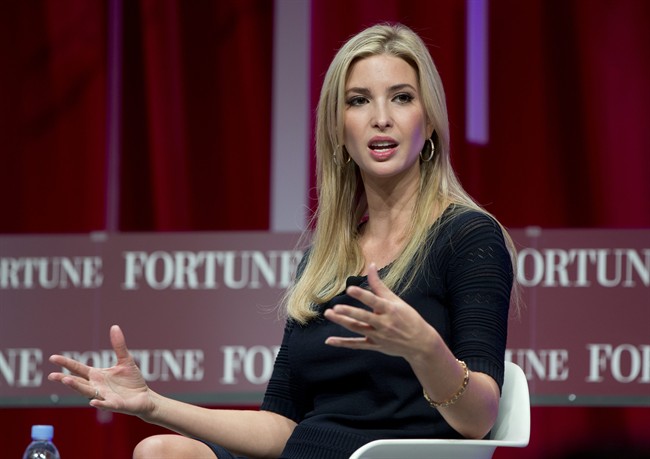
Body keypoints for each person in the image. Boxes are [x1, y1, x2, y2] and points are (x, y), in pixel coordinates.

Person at [48, 23, 516, 459]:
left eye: (401, 98)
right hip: (305, 450)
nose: (380, 118)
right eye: (358, 101)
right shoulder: (325, 261)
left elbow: (479, 421)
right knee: (158, 450)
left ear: (430, 121)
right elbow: (281, 424)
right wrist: (150, 403)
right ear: (338, 131)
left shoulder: (468, 236)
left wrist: (425, 349)